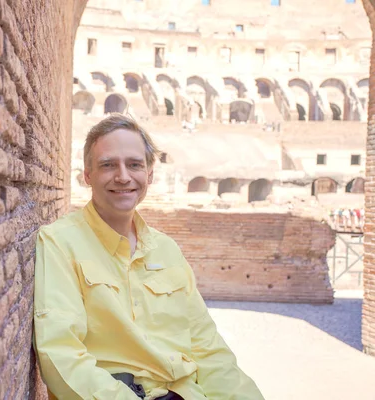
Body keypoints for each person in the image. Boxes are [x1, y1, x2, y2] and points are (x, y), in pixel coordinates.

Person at [33, 114, 264, 400]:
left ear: (150, 174)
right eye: (108, 165)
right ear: (88, 175)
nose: (123, 176)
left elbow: (208, 348)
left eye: (134, 165)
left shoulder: (167, 250)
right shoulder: (60, 242)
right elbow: (60, 354)